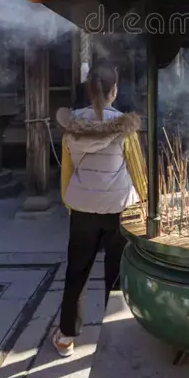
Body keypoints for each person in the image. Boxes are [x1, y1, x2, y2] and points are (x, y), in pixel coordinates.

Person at [52, 65, 141, 357]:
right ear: (114, 91)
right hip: (118, 208)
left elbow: (67, 170)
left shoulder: (71, 127)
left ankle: (66, 336)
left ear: (90, 92)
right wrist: (145, 202)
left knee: (77, 270)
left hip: (82, 210)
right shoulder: (125, 128)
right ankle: (114, 335)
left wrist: (69, 201)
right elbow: (138, 171)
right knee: (117, 272)